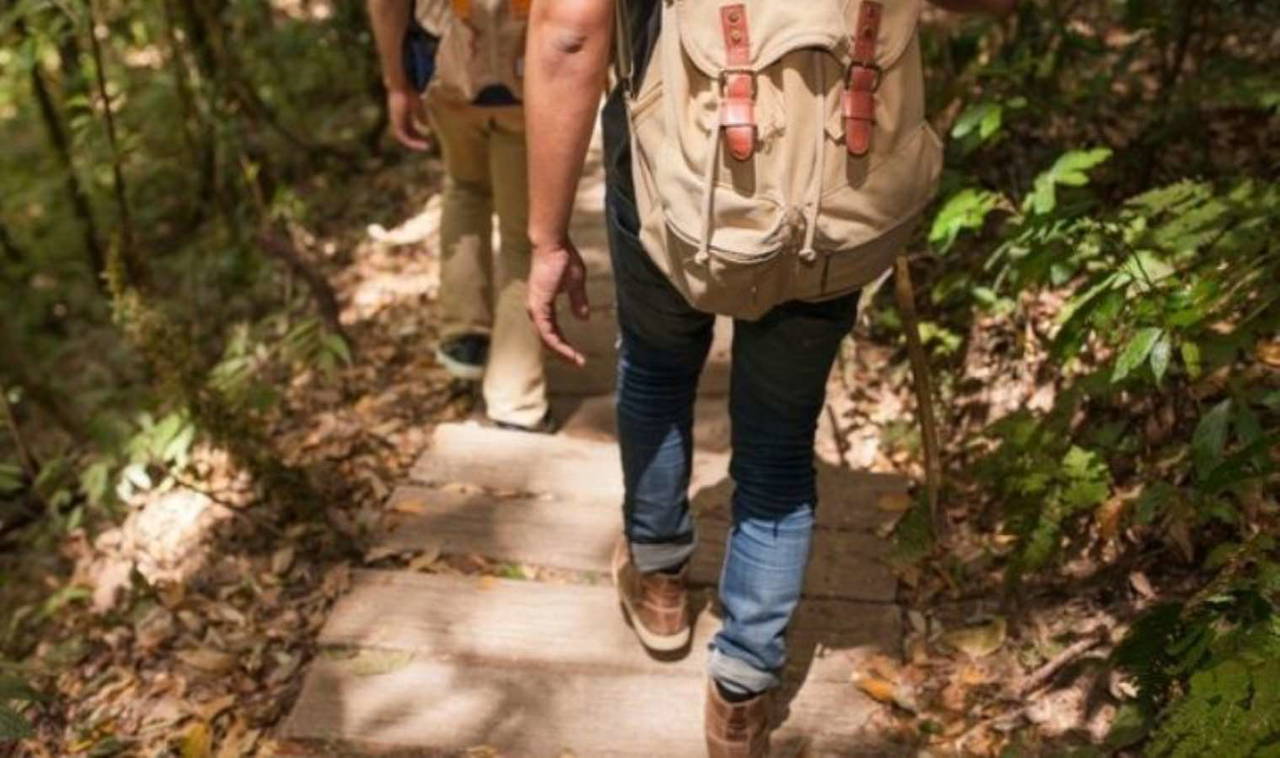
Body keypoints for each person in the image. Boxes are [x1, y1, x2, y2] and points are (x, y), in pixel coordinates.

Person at [523, 0, 1015, 754]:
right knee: (780, 445)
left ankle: (658, 581)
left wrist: (548, 235)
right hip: (837, 187)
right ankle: (743, 690)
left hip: (672, 170)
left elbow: (569, 28)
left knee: (656, 368)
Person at [369, 0, 552, 433]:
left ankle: (466, 334)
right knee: (521, 235)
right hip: (527, 73)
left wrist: (397, 84)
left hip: (446, 66)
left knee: (465, 186)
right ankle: (515, 398)